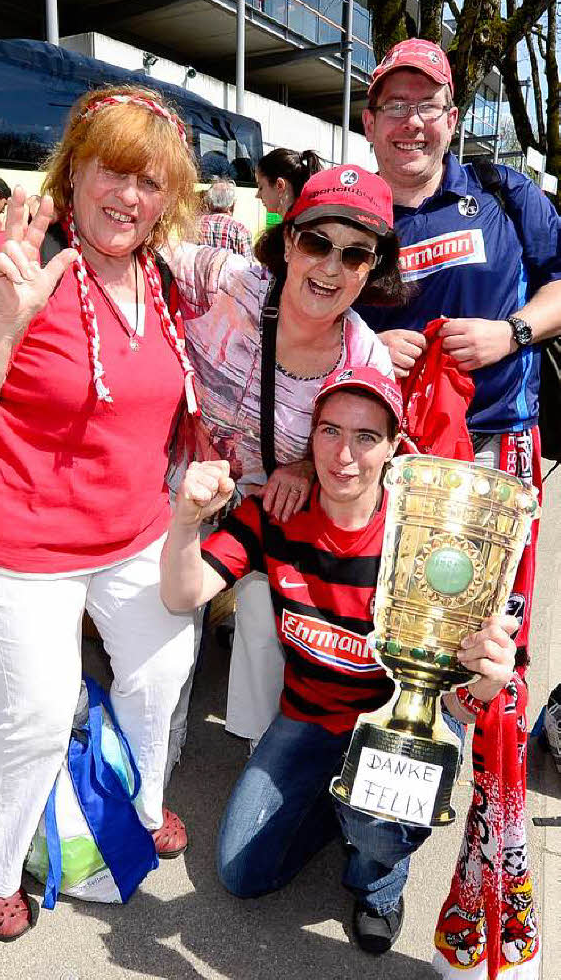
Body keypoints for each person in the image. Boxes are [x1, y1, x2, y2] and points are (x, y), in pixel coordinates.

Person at [0, 85, 200, 940]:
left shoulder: (164, 278)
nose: (129, 196)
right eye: (112, 170)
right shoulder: (11, 263)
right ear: (72, 171)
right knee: (38, 707)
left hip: (129, 532)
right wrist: (3, 325)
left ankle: (140, 800)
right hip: (15, 539)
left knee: (159, 671)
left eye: (151, 181)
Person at [160, 367, 519, 955]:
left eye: (366, 437)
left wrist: (483, 680)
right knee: (241, 875)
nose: (344, 454)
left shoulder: (427, 543)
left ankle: (375, 876)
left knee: (375, 830)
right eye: (330, 432)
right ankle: (342, 805)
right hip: (307, 717)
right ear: (311, 439)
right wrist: (184, 521)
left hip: (397, 725)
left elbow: (455, 700)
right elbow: (181, 595)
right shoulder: (274, 514)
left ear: (394, 448)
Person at [165, 165, 405, 760]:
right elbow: (138, 248)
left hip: (262, 505)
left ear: (372, 269)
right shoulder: (225, 280)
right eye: (318, 242)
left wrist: (303, 467)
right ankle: (151, 778)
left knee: (261, 609)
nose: (330, 267)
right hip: (169, 482)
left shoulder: (364, 351)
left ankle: (263, 758)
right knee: (163, 642)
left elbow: (363, 444)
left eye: (355, 256)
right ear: (289, 238)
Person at [358, 38, 561, 670]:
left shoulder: (505, 193)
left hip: (493, 442)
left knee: (493, 615)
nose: (411, 121)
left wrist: (514, 333)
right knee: (388, 604)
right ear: (369, 122)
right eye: (394, 105)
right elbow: (300, 314)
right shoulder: (348, 210)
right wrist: (365, 345)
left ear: (452, 117)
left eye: (428, 104)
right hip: (383, 449)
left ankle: (489, 748)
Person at [254, 147, 322, 217]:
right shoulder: (306, 220)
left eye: (261, 187)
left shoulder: (295, 226)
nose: (257, 195)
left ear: (280, 185)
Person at [198, 177, 254, 259]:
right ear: (232, 205)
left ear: (209, 203)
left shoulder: (195, 225)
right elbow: (249, 265)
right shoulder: (240, 230)